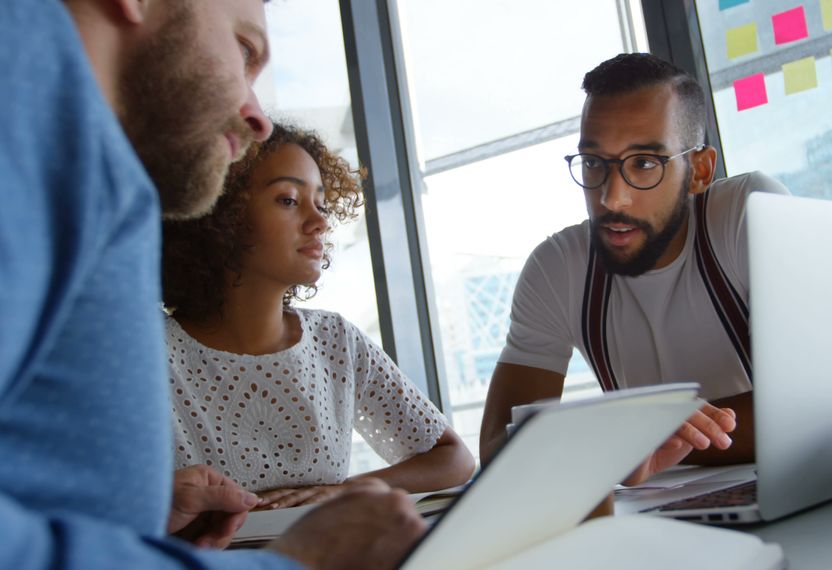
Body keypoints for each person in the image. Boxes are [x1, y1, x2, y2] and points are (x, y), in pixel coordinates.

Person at [1, 0, 424, 568]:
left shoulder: (96, 182)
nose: (258, 118)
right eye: (244, 50)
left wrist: (147, 513)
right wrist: (301, 562)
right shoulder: (28, 112)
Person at [479, 53, 790, 484]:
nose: (612, 198)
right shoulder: (558, 268)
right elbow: (498, 446)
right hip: (651, 516)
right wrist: (626, 440)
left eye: (644, 163)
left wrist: (638, 437)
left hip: (782, 490)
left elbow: (806, 404)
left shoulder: (748, 212)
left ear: (699, 171)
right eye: (594, 163)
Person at [162, 122, 475, 508]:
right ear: (220, 209)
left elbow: (453, 457)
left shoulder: (335, 340)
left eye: (322, 204)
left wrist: (341, 492)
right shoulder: (150, 355)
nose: (320, 221)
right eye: (289, 200)